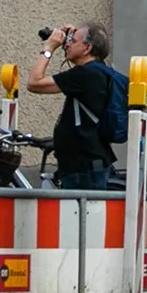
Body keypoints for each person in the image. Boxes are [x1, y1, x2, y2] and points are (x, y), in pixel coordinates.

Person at [26, 21, 124, 190]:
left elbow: (34, 83)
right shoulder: (97, 71)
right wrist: (71, 36)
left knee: (81, 216)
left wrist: (49, 48)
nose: (68, 44)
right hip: (88, 165)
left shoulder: (85, 74)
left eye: (74, 41)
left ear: (87, 48)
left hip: (83, 169)